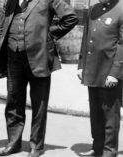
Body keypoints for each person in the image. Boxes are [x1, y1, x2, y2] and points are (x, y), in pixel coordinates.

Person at [0, 0, 78, 156]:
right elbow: (2, 26)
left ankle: (36, 146)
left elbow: (70, 17)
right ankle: (13, 143)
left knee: (39, 104)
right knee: (13, 101)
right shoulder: (10, 2)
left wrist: (49, 34)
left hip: (39, 57)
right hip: (13, 56)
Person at [77, 0, 123, 157]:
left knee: (110, 114)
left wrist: (115, 73)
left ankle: (109, 151)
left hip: (109, 70)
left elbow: (122, 45)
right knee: (95, 112)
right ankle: (97, 147)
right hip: (92, 69)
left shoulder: (121, 9)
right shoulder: (93, 9)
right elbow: (86, 38)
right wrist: (81, 65)